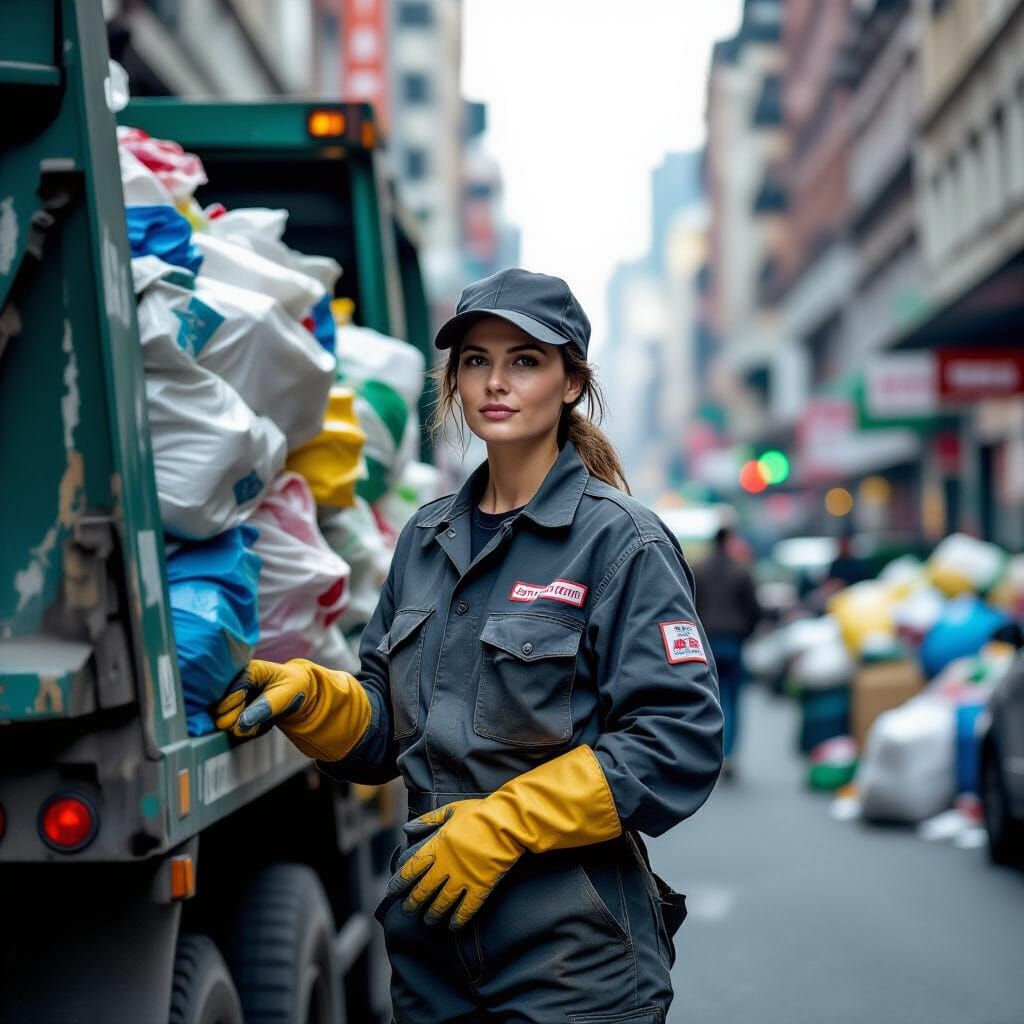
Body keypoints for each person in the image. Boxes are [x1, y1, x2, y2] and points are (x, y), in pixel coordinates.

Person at [216, 269, 723, 1022]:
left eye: (525, 359)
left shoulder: (622, 542)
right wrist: (319, 700)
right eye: (476, 360)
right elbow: (387, 730)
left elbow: (676, 741)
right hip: (432, 948)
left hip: (570, 955)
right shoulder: (425, 537)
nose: (496, 381)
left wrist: (504, 823)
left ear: (572, 381)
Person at [692, 526, 761, 779]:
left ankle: (710, 752)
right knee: (732, 700)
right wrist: (746, 633)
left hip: (706, 642)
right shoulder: (740, 570)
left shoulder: (698, 569)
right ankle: (729, 754)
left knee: (707, 700)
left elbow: (689, 604)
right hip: (733, 642)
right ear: (728, 541)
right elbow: (754, 609)